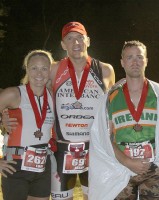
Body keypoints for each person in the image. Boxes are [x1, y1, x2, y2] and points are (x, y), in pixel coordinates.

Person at [88, 40, 159, 200]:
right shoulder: (110, 97)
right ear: (122, 62)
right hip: (120, 166)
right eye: (130, 57)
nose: (135, 62)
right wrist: (127, 161)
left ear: (146, 61)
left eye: (139, 57)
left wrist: (155, 162)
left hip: (154, 168)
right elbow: (104, 138)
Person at [49, 21, 115, 200]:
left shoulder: (105, 70)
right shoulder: (53, 69)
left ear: (88, 41)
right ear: (63, 44)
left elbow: (112, 108)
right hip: (62, 149)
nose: (75, 42)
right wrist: (10, 115)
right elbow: (35, 97)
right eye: (70, 38)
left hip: (95, 149)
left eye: (80, 37)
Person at [0, 50, 55, 200]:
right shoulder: (14, 94)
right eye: (34, 68)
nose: (39, 73)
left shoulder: (52, 96)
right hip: (15, 164)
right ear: (27, 69)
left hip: (43, 164)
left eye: (44, 68)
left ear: (50, 70)